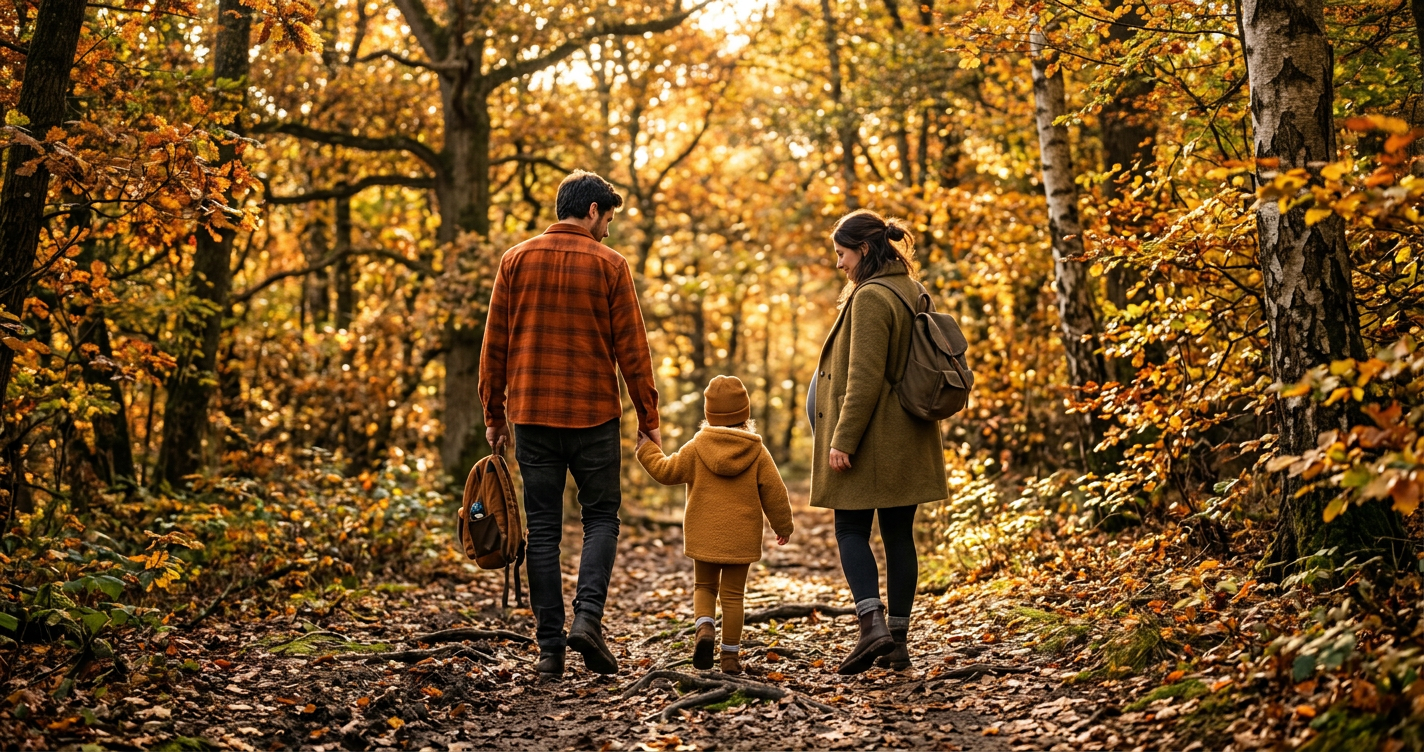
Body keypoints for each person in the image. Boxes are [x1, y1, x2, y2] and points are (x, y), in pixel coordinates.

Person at [479, 170, 661, 681]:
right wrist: (650, 418)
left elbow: (494, 347)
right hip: (594, 415)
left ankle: (550, 651)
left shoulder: (514, 261)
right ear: (593, 211)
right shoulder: (610, 265)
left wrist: (495, 415)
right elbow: (633, 350)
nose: (607, 230)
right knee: (601, 518)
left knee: (542, 530)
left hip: (532, 414)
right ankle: (587, 620)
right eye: (607, 219)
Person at [809, 209, 948, 675]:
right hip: (908, 435)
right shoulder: (912, 289)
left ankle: (872, 624)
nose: (839, 264)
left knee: (850, 530)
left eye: (842, 254)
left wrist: (842, 440)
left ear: (864, 250)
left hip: (873, 438)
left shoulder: (871, 297)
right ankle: (898, 642)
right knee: (898, 535)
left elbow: (864, 379)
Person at [635, 376, 794, 675]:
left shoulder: (696, 447)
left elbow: (666, 470)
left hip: (703, 534)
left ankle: (704, 628)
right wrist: (782, 524)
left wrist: (646, 449)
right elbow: (775, 491)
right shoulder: (757, 451)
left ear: (709, 414)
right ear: (745, 414)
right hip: (741, 538)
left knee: (704, 587)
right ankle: (730, 658)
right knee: (734, 596)